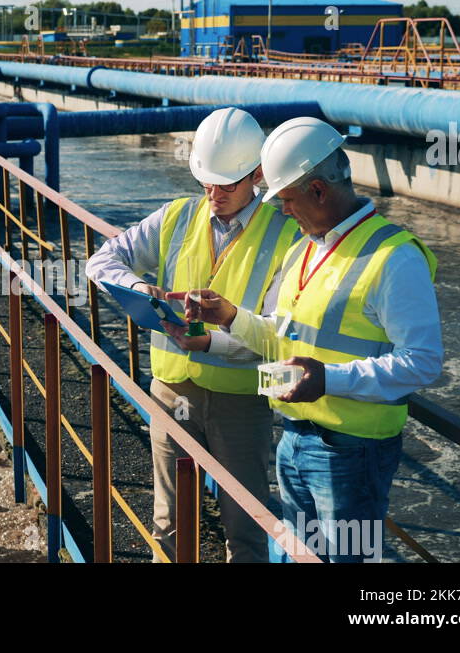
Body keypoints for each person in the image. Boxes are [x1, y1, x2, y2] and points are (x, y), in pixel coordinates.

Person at [169, 117, 444, 563]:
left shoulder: (394, 258)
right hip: (295, 437)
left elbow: (424, 361)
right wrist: (231, 316)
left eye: (287, 199)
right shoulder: (304, 247)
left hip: (353, 450)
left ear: (318, 190)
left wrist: (329, 380)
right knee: (300, 558)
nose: (280, 211)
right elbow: (281, 335)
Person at [86, 107, 300, 563]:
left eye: (227, 184)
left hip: (242, 400)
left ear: (257, 175)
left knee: (245, 526)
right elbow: (101, 262)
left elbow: (279, 333)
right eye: (207, 181)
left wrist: (211, 341)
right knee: (169, 521)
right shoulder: (177, 217)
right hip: (170, 392)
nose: (214, 193)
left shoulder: (286, 236)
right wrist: (141, 288)